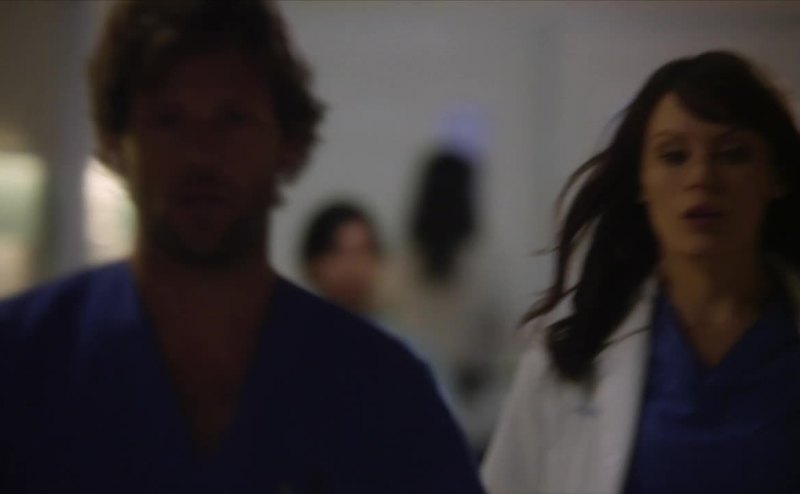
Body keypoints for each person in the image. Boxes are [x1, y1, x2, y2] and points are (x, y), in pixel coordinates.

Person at [0, 2, 485, 493]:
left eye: (233, 119)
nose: (201, 153)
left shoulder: (381, 391)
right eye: (169, 120)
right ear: (115, 144)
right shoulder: (23, 361)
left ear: (287, 145)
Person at [482, 51, 800, 494]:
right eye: (674, 156)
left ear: (777, 176)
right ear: (640, 181)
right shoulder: (569, 359)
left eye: (732, 154)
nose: (702, 177)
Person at [299, 201, 383, 316]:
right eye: (338, 252)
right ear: (312, 263)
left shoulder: (390, 325)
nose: (352, 268)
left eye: (363, 251)